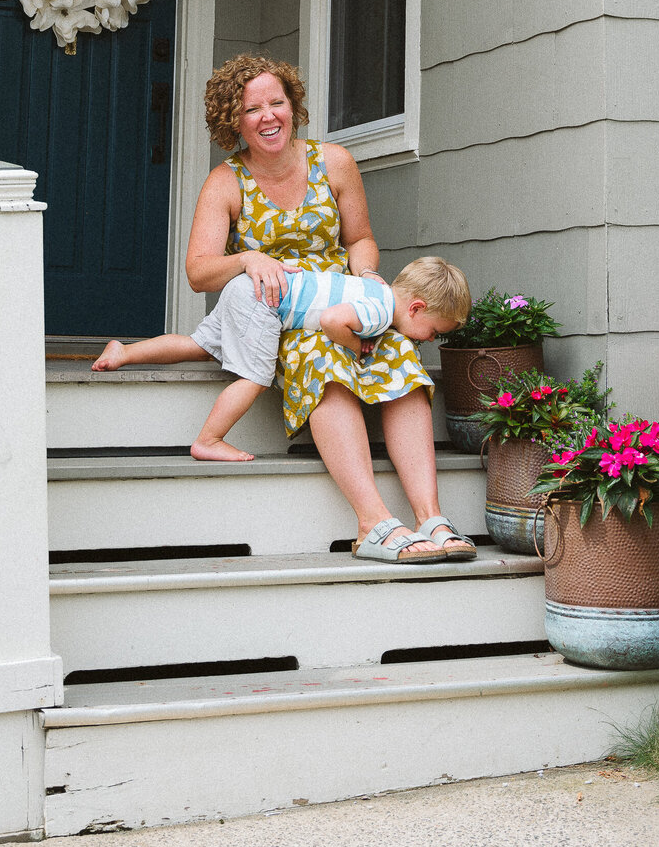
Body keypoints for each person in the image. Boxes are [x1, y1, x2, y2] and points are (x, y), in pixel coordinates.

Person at [99, 53, 478, 565]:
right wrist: (248, 258)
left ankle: (430, 517)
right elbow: (198, 272)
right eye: (252, 108)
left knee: (402, 360)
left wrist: (365, 280)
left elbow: (361, 239)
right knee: (321, 357)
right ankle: (372, 524)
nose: (268, 116)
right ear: (233, 119)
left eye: (277, 102)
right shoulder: (226, 182)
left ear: (293, 106)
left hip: (343, 295)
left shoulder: (334, 162)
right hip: (280, 314)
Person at [93, 254, 471, 473]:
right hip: (266, 303)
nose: (430, 340)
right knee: (254, 377)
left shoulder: (375, 289)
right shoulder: (379, 311)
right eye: (434, 331)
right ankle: (208, 439)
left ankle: (124, 352)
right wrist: (358, 345)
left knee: (200, 344)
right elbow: (331, 321)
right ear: (417, 308)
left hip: (249, 287)